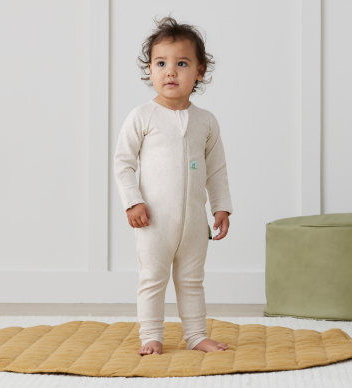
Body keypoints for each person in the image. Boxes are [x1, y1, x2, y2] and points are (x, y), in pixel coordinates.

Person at [113, 15, 233, 356]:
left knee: (192, 281)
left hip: (195, 223)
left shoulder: (206, 121)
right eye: (161, 63)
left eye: (181, 63)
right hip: (154, 222)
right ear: (149, 70)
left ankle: (196, 336)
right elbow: (123, 163)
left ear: (199, 71)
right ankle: (151, 336)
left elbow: (216, 168)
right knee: (153, 279)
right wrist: (132, 201)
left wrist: (221, 206)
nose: (170, 71)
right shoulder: (142, 116)